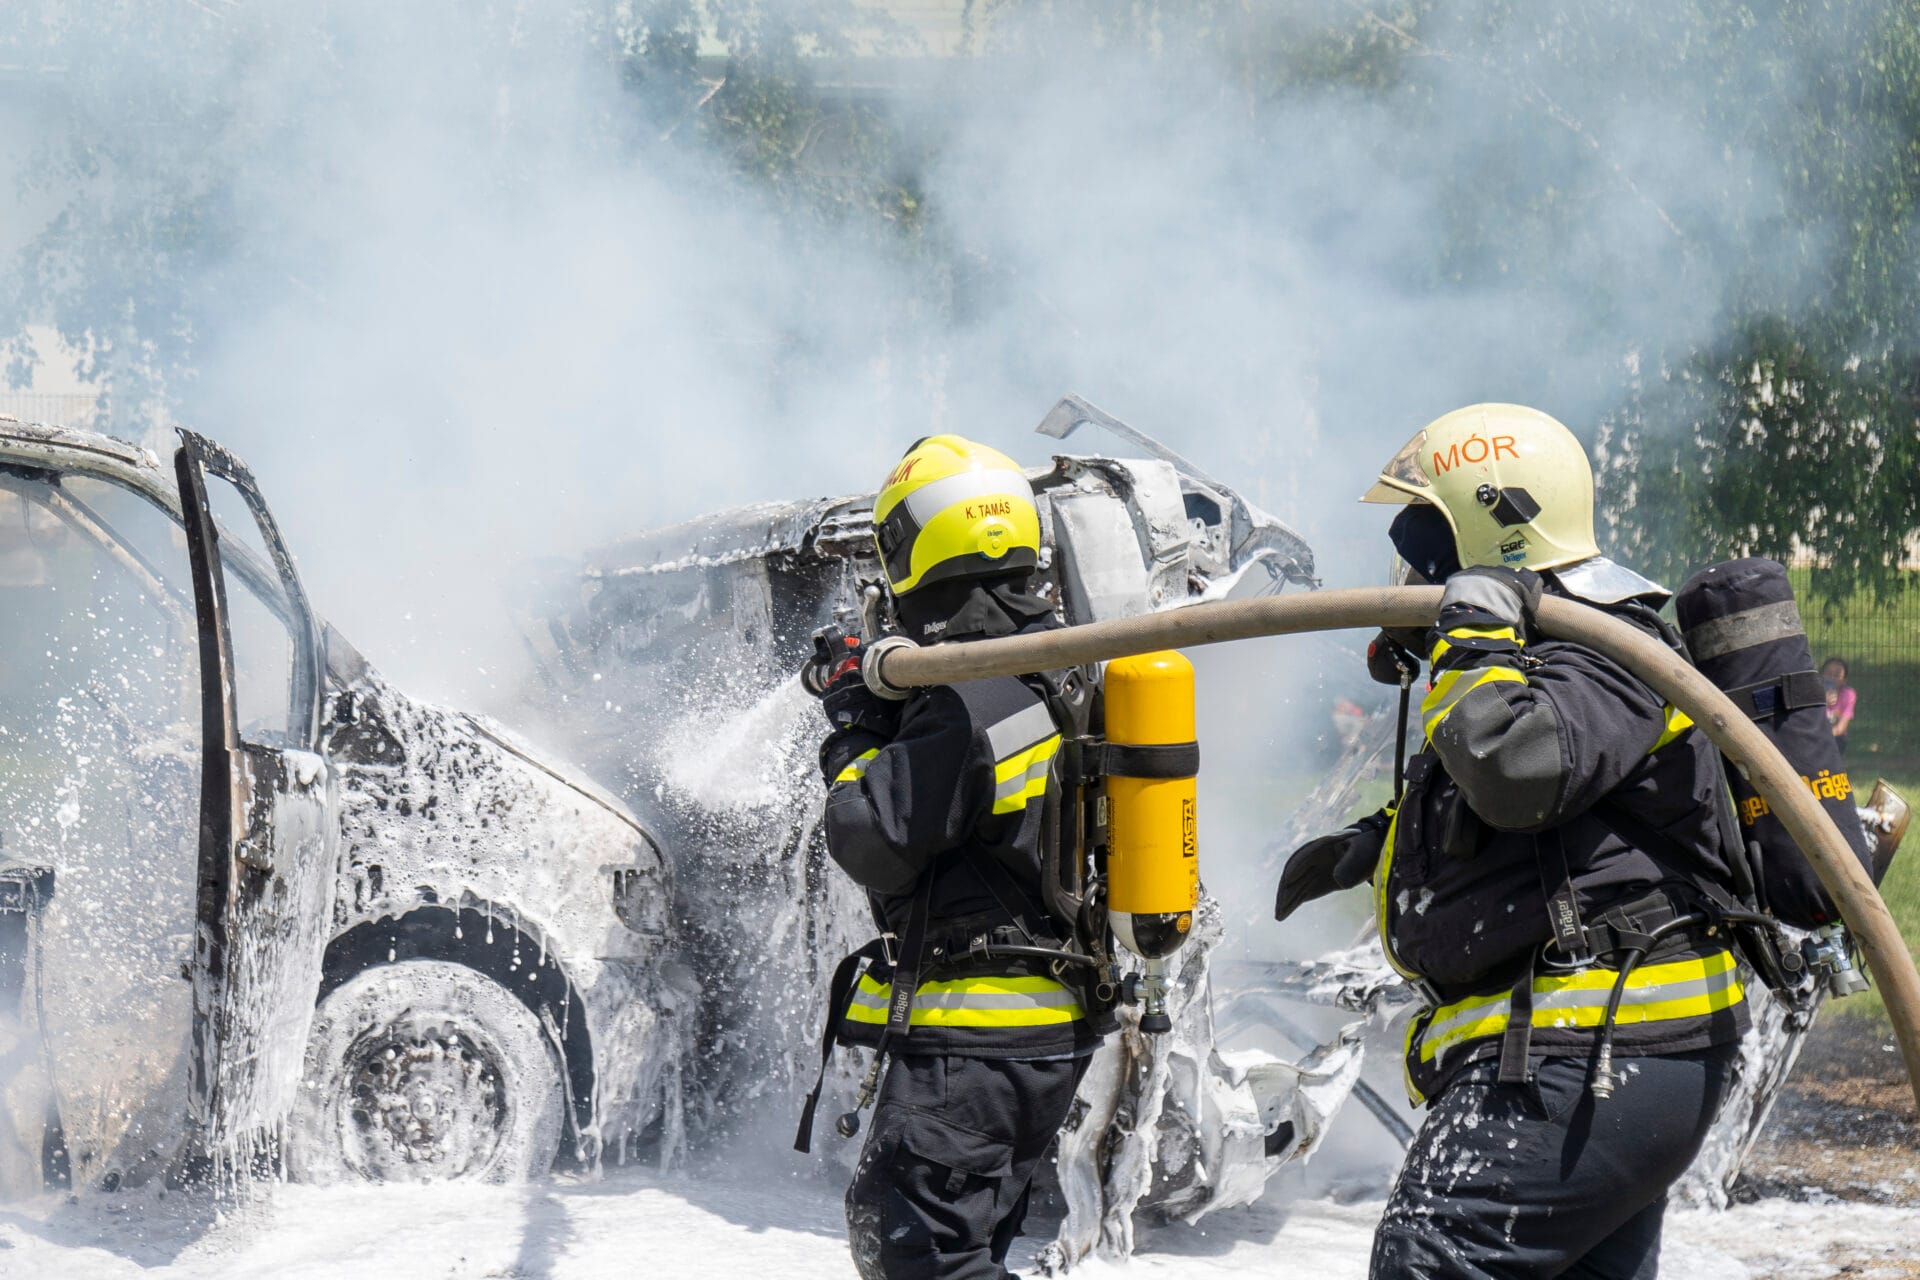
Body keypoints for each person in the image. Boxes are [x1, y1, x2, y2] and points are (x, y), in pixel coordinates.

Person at [1275, 404, 1751, 1279]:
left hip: (1593, 1045)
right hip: (1600, 1047)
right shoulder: (1534, 657)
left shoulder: (1600, 646)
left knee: (1432, 1256)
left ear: (1488, 528)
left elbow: (1521, 771)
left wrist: (1471, 642)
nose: (1408, 572)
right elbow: (1551, 820)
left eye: (1424, 539)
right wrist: (1378, 845)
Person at [806, 434, 1111, 1280]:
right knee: (961, 1251)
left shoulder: (967, 702)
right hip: (1041, 1029)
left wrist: (853, 730)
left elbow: (869, 838)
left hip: (976, 1040)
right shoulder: (1055, 671)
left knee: (922, 1257)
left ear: (912, 548)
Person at [1823, 656, 1856, 755]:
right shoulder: (1815, 691)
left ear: (1844, 680)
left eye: (1837, 675)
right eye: (1828, 673)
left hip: (1836, 738)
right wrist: (1823, 702)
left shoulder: (1849, 694)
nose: (1832, 678)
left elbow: (1841, 728)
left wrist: (1824, 736)